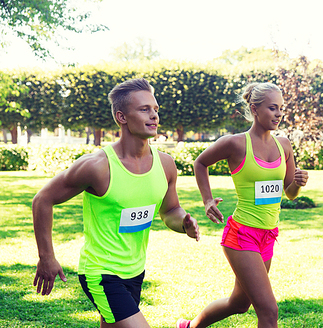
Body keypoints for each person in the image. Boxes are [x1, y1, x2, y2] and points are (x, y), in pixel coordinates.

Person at [32, 78, 200, 328]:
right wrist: (46, 257)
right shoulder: (97, 167)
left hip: (135, 270)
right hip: (101, 273)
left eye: (155, 109)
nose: (154, 115)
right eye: (144, 109)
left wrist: (183, 223)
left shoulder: (165, 164)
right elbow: (42, 199)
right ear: (121, 117)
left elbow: (170, 210)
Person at [177, 82, 308, 328]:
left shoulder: (284, 145)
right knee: (269, 312)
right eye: (272, 108)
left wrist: (298, 183)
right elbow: (200, 163)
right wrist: (207, 200)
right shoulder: (236, 143)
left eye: (281, 108)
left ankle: (189, 327)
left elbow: (289, 193)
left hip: (268, 235)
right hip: (241, 235)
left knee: (239, 304)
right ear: (254, 109)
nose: (279, 114)